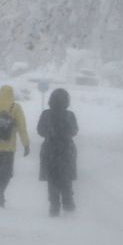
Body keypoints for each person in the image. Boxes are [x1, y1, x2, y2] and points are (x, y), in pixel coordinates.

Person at [37, 88, 79, 217]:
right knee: (66, 178)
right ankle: (68, 203)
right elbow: (74, 131)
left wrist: (51, 132)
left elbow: (40, 131)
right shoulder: (69, 115)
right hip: (66, 150)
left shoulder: (46, 114)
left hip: (50, 150)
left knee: (52, 179)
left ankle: (54, 205)